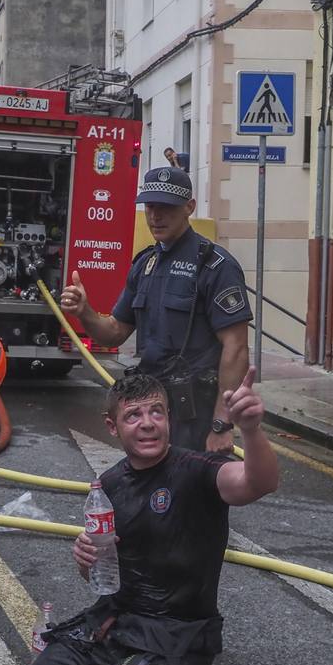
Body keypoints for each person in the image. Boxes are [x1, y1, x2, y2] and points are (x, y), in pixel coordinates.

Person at [11, 369, 277, 665]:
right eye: (134, 415)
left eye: (157, 412)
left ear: (169, 419)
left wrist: (251, 430)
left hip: (175, 636)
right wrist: (85, 558)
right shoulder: (110, 484)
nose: (148, 423)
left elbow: (256, 482)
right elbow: (101, 574)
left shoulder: (198, 471)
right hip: (116, 626)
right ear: (112, 426)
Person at [59, 166, 251, 454]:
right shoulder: (145, 265)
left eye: (166, 207)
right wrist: (85, 312)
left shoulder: (216, 266)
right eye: (150, 206)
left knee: (193, 496)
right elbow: (114, 333)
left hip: (195, 416)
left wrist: (222, 424)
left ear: (189, 207)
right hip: (151, 411)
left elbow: (236, 348)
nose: (155, 216)